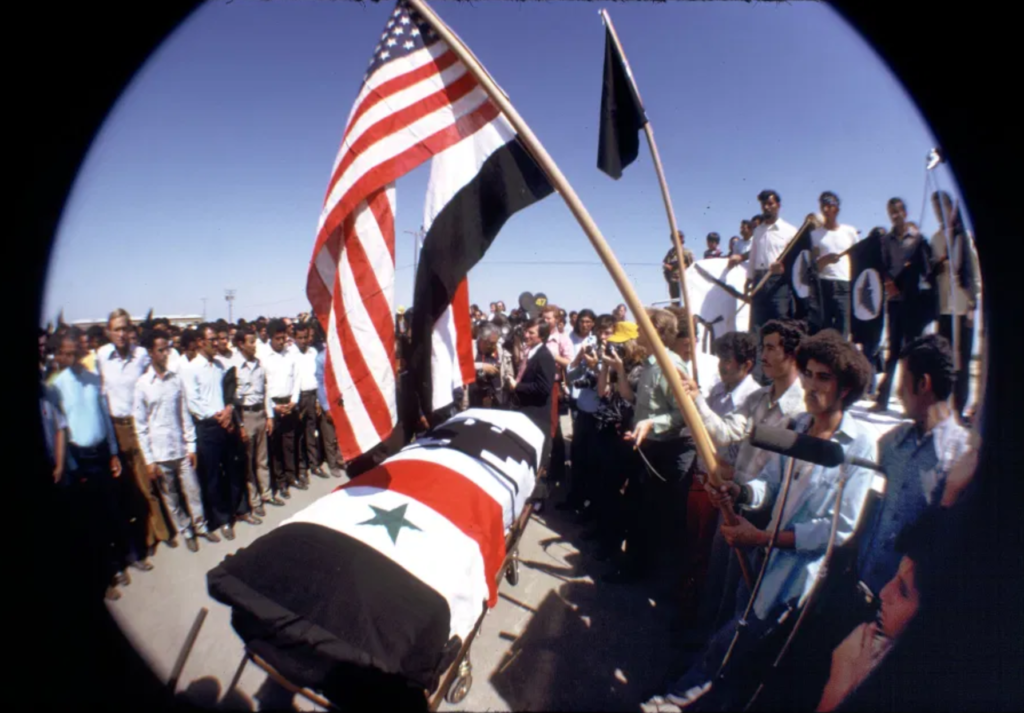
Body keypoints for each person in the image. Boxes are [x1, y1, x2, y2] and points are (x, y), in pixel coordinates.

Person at [643, 330, 875, 713]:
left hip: (795, 580)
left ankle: (672, 703)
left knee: (742, 653)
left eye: (824, 378)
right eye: (809, 374)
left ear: (846, 388)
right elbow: (769, 485)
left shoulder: (860, 444)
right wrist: (739, 494)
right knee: (731, 642)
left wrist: (765, 537)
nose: (812, 385)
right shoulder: (799, 426)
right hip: (758, 560)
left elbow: (839, 529)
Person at [684, 319, 807, 636]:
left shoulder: (803, 411)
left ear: (791, 354)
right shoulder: (756, 400)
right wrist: (696, 399)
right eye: (762, 347)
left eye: (770, 348)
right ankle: (700, 646)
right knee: (717, 580)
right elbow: (724, 433)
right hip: (732, 503)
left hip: (763, 517)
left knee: (739, 593)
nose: (762, 356)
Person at [857, 334, 972, 595]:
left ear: (923, 384)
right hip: (861, 587)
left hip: (908, 605)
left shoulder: (962, 456)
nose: (897, 392)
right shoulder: (892, 442)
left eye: (902, 382)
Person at [606, 310, 696, 584]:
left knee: (650, 516)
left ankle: (643, 573)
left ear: (655, 330)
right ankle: (634, 567)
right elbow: (638, 401)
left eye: (640, 326)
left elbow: (684, 414)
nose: (635, 330)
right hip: (646, 448)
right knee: (637, 510)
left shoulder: (670, 367)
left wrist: (651, 424)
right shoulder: (649, 364)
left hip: (663, 453)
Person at [679, 330, 761, 627]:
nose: (721, 365)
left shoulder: (752, 399)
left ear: (746, 365)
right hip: (700, 478)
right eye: (720, 358)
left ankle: (699, 619)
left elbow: (722, 434)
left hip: (723, 489)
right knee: (693, 547)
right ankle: (688, 606)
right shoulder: (716, 390)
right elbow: (697, 426)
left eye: (728, 360)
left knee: (709, 559)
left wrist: (698, 400)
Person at [51, 332, 131, 600]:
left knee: (113, 510)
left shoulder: (93, 378)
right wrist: (72, 466)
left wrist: (113, 452)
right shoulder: (56, 387)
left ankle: (126, 560)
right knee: (93, 521)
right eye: (68, 353)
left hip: (101, 455)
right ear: (59, 355)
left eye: (77, 352)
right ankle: (109, 572)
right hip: (80, 461)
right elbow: (60, 430)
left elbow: (104, 418)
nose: (73, 358)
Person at [97, 308, 169, 567]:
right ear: (109, 332)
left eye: (125, 328)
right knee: (128, 489)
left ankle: (158, 533)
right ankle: (141, 540)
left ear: (131, 331)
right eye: (116, 329)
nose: (121, 334)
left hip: (138, 425)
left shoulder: (140, 356)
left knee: (147, 482)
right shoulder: (102, 357)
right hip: (115, 428)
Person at [133, 330, 211, 553]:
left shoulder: (175, 379)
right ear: (150, 353)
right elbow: (140, 426)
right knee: (172, 497)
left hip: (180, 449)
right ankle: (186, 530)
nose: (166, 353)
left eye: (167, 348)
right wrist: (149, 461)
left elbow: (184, 413)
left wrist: (191, 445)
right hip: (160, 454)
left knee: (193, 490)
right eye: (161, 350)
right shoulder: (142, 385)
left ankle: (200, 526)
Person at [183, 323, 256, 541]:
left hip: (227, 423)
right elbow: (193, 402)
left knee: (234, 469)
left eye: (218, 339)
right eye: (212, 339)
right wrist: (218, 416)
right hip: (209, 428)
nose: (217, 343)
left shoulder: (220, 366)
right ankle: (223, 519)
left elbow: (230, 393)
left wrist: (229, 410)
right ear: (199, 342)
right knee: (213, 476)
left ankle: (240, 509)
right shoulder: (190, 368)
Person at [873, 197, 939, 411]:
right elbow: (882, 266)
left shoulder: (918, 239)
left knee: (913, 352)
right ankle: (882, 399)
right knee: (893, 350)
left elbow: (927, 270)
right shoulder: (886, 241)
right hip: (894, 301)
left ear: (905, 213)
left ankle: (911, 401)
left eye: (898, 211)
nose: (895, 215)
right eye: (891, 211)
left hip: (914, 302)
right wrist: (888, 283)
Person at [929, 190, 981, 420]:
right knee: (944, 360)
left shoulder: (964, 237)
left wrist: (973, 304)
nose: (941, 212)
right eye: (936, 209)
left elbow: (974, 272)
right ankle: (944, 407)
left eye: (943, 207)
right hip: (943, 308)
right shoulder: (936, 239)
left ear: (951, 208)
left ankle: (959, 410)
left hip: (962, 307)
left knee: (962, 361)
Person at [233, 326, 284, 514]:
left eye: (255, 341)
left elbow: (266, 392)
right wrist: (240, 424)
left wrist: (269, 416)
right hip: (245, 416)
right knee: (248, 462)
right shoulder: (236, 368)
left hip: (260, 414)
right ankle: (254, 501)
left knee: (262, 459)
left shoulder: (260, 365)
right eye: (251, 342)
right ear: (241, 344)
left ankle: (266, 494)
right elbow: (233, 400)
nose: (254, 345)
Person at [507, 317, 557, 483]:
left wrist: (517, 387)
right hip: (525, 411)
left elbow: (544, 389)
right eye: (526, 331)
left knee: (536, 460)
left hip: (536, 415)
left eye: (531, 333)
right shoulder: (531, 352)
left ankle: (538, 498)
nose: (526, 335)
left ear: (542, 336)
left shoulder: (544, 357)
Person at [562, 309, 600, 515]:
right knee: (578, 453)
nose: (585, 325)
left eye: (589, 322)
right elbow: (570, 372)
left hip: (596, 410)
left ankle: (588, 503)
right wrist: (578, 358)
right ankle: (575, 498)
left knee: (590, 458)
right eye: (582, 321)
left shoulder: (600, 347)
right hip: (579, 400)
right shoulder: (571, 339)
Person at [811, 191, 860, 338]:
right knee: (824, 329)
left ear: (836, 209)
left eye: (828, 206)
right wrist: (824, 260)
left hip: (844, 285)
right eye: (822, 206)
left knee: (843, 329)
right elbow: (812, 266)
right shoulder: (815, 235)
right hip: (823, 284)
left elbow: (858, 260)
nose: (825, 210)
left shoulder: (850, 232)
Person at [263, 319, 303, 497]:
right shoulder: (263, 357)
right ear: (270, 337)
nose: (281, 341)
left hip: (289, 403)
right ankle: (280, 482)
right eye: (278, 338)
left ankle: (291, 476)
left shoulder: (290, 355)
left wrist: (294, 400)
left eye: (283, 337)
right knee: (276, 447)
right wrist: (273, 407)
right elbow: (262, 387)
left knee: (290, 443)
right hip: (273, 406)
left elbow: (297, 378)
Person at [747, 190, 798, 327]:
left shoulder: (790, 231)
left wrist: (784, 268)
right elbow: (753, 256)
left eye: (770, 204)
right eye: (763, 204)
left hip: (778, 282)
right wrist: (749, 278)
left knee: (779, 324)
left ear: (778, 205)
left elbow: (795, 260)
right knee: (757, 324)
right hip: (759, 280)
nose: (766, 207)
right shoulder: (758, 231)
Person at [293, 323, 324, 480]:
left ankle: (314, 465)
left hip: (312, 395)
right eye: (300, 338)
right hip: (299, 398)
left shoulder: (313, 352)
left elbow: (317, 377)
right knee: (299, 435)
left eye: (305, 337)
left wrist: (318, 399)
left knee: (311, 432)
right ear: (294, 338)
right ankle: (302, 468)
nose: (304, 341)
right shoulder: (291, 354)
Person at [314, 344, 346, 479]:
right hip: (329, 402)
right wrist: (326, 407)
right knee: (330, 437)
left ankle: (341, 460)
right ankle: (332, 464)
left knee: (342, 434)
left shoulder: (341, 355)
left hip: (341, 401)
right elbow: (320, 384)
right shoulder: (321, 359)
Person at [470, 322, 513, 408]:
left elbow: (509, 371)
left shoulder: (501, 351)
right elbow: (460, 367)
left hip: (497, 397)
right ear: (482, 340)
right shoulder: (470, 348)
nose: (494, 346)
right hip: (473, 397)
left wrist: (509, 378)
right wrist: (481, 366)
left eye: (496, 342)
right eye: (491, 343)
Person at [663, 231, 696, 306]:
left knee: (688, 300)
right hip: (673, 281)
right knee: (675, 302)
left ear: (681, 239)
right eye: (673, 239)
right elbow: (666, 264)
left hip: (684, 280)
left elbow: (692, 266)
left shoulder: (687, 252)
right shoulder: (671, 252)